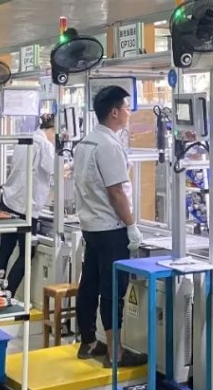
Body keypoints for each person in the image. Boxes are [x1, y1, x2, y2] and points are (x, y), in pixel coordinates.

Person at [72, 85, 147, 368]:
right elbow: (116, 192)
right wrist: (131, 225)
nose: (129, 113)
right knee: (113, 289)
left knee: (89, 283)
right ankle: (115, 353)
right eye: (126, 107)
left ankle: (88, 342)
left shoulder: (87, 143)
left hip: (91, 226)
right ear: (114, 112)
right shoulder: (109, 145)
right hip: (111, 227)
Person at [0, 114, 56, 297]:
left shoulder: (26, 138)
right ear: (54, 130)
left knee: (5, 248)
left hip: (9, 200)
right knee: (27, 253)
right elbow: (54, 171)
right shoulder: (44, 145)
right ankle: (8, 294)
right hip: (25, 207)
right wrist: (70, 166)